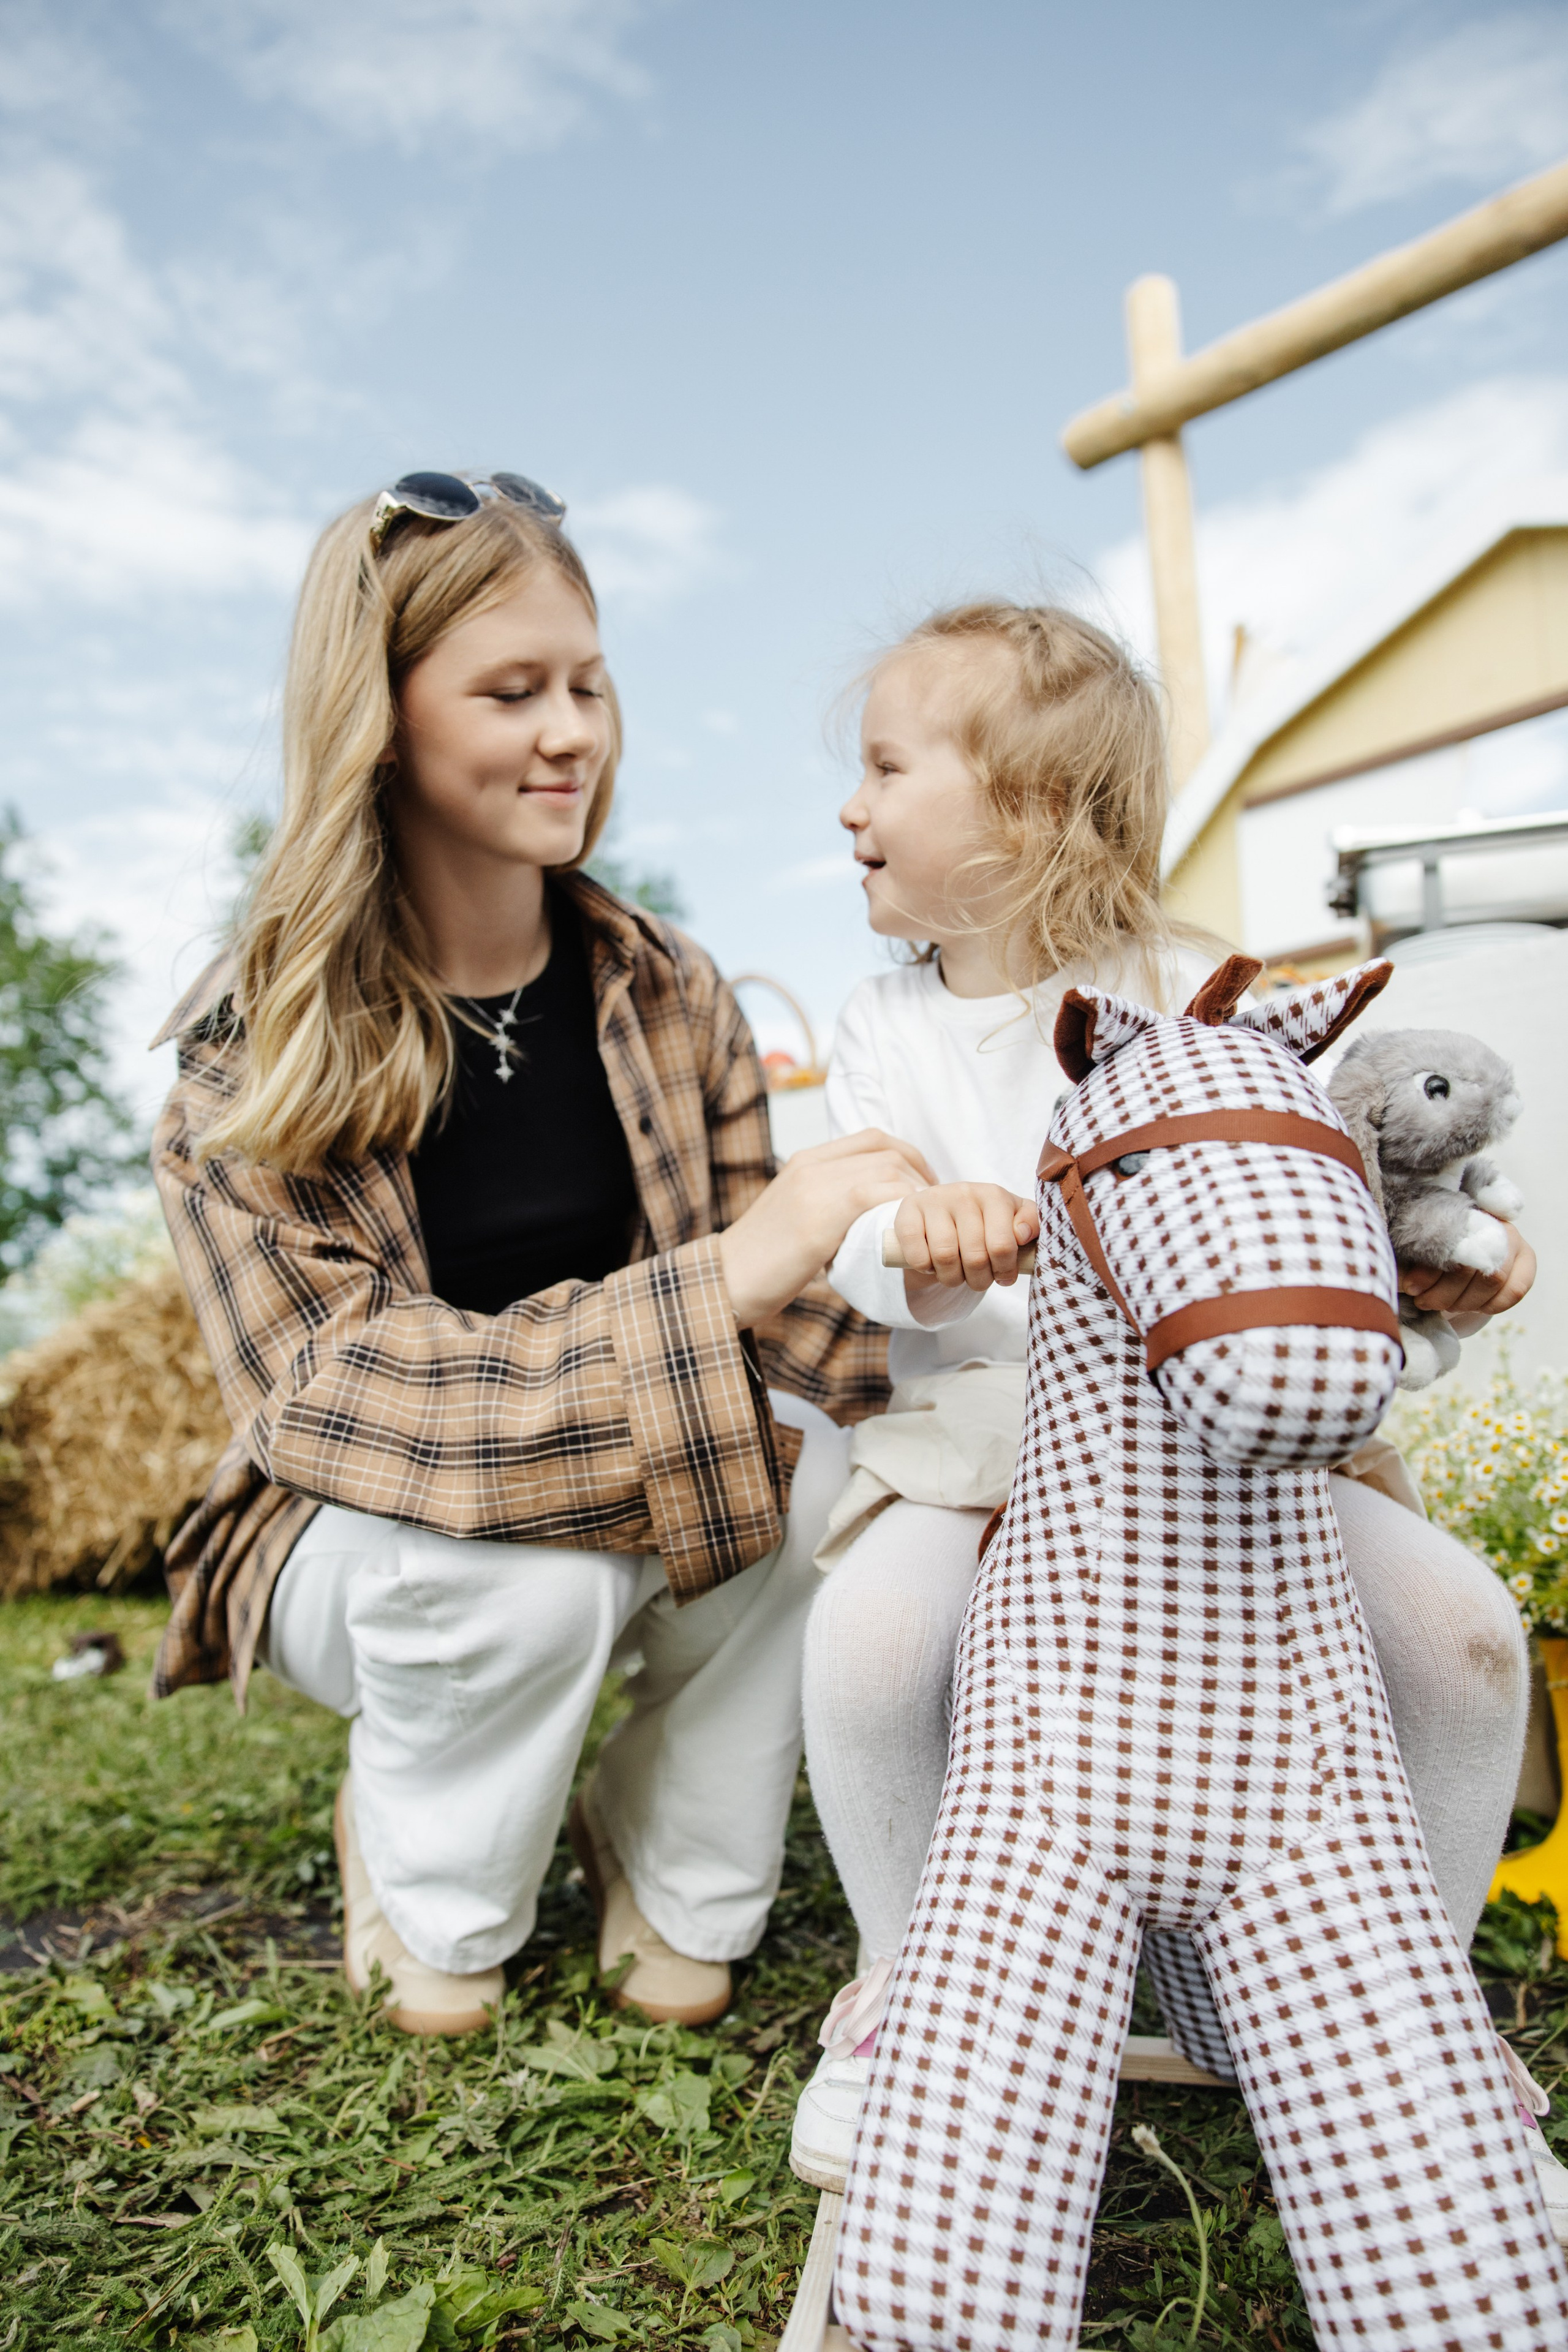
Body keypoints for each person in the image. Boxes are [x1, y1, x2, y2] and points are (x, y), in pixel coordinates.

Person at [788, 597, 1567, 2235]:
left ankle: (1406, 2011)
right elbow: (852, 1231)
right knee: (870, 1648)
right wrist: (912, 1246)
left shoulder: (1206, 993)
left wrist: (1433, 1275)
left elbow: (1328, 1217)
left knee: (1466, 1636)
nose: (848, 807)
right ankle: (906, 1992)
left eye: (883, 767)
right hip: (984, 1446)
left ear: (1030, 808)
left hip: (1219, 1462)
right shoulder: (885, 1028)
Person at [149, 469, 933, 2037]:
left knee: (840, 1479)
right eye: (512, 691)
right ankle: (422, 1863)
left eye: (587, 682)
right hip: (358, 1526)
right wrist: (712, 1282)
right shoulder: (256, 1052)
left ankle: (668, 1845)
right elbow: (333, 1397)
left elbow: (789, 1334)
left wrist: (937, 1348)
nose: (571, 730)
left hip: (618, 1463)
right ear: (377, 719)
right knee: (520, 1582)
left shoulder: (663, 987)